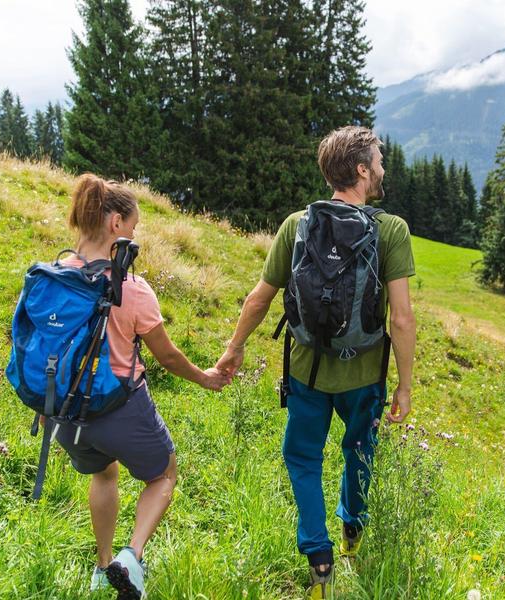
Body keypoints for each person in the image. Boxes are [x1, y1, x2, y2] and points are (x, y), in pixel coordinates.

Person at [215, 126, 417, 599]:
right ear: (362, 170)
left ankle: (318, 558)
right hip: (364, 374)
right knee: (359, 450)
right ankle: (352, 528)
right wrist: (405, 385)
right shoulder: (390, 230)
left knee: (302, 457)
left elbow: (260, 297)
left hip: (306, 371)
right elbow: (402, 318)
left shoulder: (297, 224)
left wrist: (235, 346)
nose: (382, 168)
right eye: (378, 161)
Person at [55, 174, 230, 599]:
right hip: (119, 407)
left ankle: (102, 568)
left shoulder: (54, 276)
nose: (134, 236)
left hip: (64, 411)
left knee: (103, 473)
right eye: (132, 226)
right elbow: (167, 356)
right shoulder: (132, 290)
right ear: (115, 223)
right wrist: (205, 377)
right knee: (164, 474)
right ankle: (130, 558)